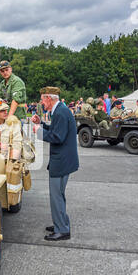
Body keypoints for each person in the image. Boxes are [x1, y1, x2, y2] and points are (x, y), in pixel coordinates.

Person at [31, 87, 79, 241]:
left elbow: (57, 137)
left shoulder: (60, 112)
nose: (41, 103)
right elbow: (55, 129)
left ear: (49, 99)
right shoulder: (61, 111)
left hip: (62, 161)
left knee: (56, 196)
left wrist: (38, 131)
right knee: (59, 195)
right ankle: (60, 223)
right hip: (64, 159)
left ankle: (62, 230)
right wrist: (42, 124)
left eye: (42, 100)